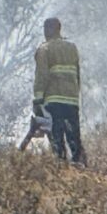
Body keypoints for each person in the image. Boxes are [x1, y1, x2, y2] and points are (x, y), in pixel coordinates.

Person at [32, 17, 85, 165]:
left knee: (57, 140)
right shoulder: (72, 48)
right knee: (74, 138)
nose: (44, 32)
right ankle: (80, 167)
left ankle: (61, 168)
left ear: (49, 29)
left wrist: (38, 100)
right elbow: (77, 75)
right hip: (72, 101)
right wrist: (75, 95)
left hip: (53, 101)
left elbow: (41, 76)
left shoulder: (44, 49)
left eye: (46, 28)